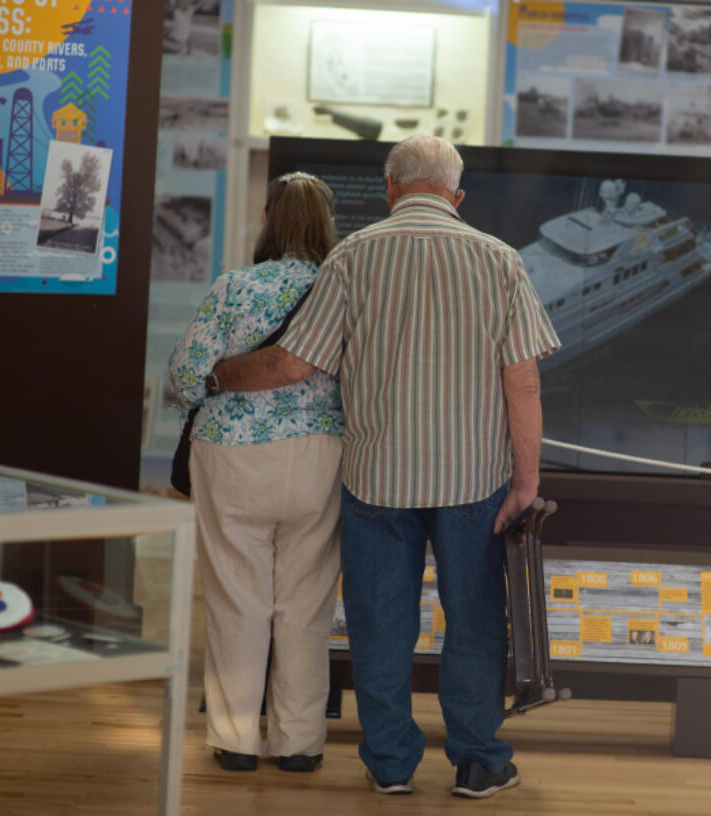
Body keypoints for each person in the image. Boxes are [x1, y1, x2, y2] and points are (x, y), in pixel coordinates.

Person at [210, 135, 560, 799]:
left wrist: (219, 375)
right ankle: (479, 759)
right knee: (476, 619)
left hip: (377, 479)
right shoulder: (500, 261)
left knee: (379, 620)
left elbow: (293, 364)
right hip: (473, 482)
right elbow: (524, 383)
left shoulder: (353, 255)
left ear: (392, 187)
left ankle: (392, 762)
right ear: (456, 196)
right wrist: (526, 482)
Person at [167, 172, 343, 774]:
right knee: (306, 602)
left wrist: (219, 379)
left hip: (232, 456)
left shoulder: (233, 287)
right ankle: (299, 743)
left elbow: (186, 377)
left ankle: (236, 739)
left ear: (268, 217)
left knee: (236, 598)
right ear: (328, 222)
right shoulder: (343, 288)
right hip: (319, 456)